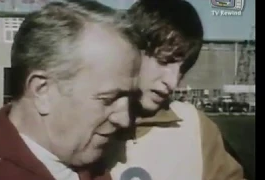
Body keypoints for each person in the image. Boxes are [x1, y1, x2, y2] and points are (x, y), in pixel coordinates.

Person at [0, 1, 141, 179]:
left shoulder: (100, 165)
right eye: (108, 99)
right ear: (42, 90)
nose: (124, 120)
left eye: (128, 98)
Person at [104, 0, 245, 180]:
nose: (173, 82)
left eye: (183, 69)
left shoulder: (195, 127)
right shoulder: (85, 123)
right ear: (132, 47)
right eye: (165, 61)